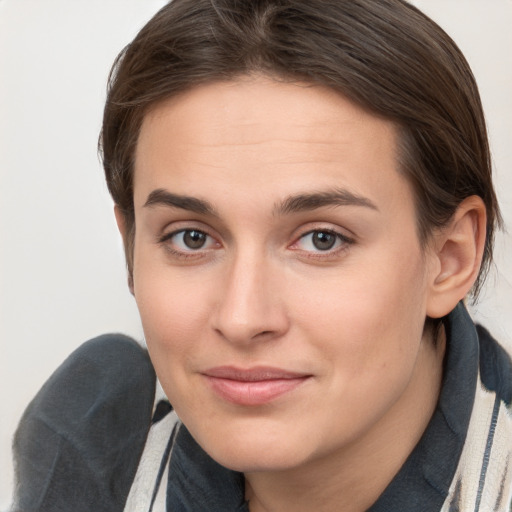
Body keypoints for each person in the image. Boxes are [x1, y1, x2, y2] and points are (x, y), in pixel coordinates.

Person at [11, 0, 512, 510]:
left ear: (449, 259)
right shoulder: (90, 458)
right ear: (131, 252)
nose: (242, 318)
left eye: (322, 239)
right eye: (191, 238)